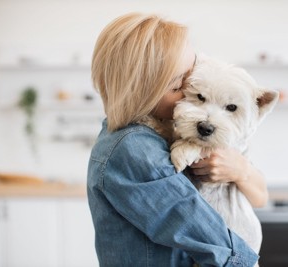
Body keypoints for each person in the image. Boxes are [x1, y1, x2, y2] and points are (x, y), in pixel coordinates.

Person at [87, 12, 267, 267]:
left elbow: (260, 195)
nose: (188, 94)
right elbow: (202, 230)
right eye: (178, 86)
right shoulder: (133, 148)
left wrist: (240, 169)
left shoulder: (148, 136)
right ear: (142, 93)